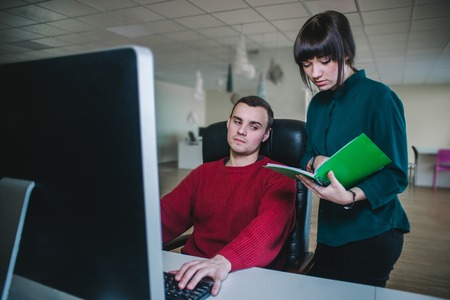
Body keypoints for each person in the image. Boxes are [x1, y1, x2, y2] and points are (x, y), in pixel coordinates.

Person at [293, 11, 410, 287]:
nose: (315, 73)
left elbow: (396, 174)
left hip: (373, 232)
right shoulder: (317, 104)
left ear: (345, 53)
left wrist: (350, 196)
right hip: (329, 232)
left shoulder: (379, 97)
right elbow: (307, 153)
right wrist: (315, 161)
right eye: (307, 64)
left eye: (324, 61)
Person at [160, 96, 296, 295]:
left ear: (266, 135)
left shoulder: (279, 176)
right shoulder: (203, 173)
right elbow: (166, 215)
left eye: (254, 126)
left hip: (248, 277)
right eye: (237, 121)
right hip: (194, 271)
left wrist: (222, 261)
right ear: (228, 123)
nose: (242, 131)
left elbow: (266, 232)